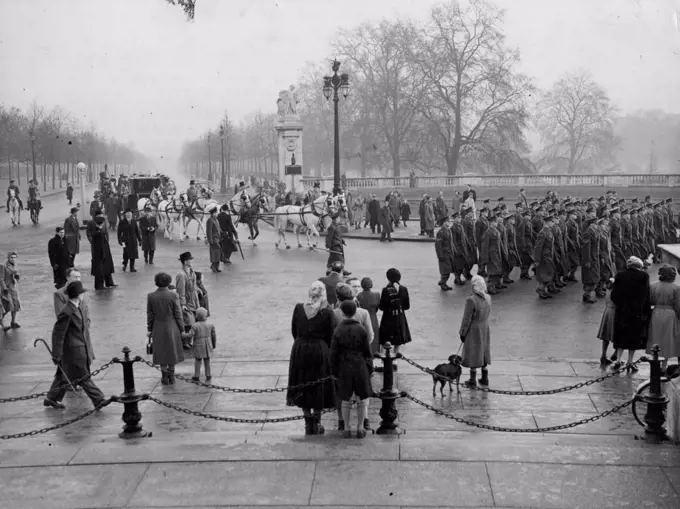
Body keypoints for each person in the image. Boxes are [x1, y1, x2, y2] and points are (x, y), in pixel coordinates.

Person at [43, 281, 106, 410]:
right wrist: (56, 354)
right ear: (78, 295)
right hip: (73, 350)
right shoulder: (67, 311)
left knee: (63, 374)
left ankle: (51, 398)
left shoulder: (78, 307)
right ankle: (98, 399)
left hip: (80, 347)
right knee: (83, 376)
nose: (84, 295)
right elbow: (58, 333)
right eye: (82, 293)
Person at [286, 281, 338, 435]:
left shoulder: (299, 308)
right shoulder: (328, 312)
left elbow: (294, 330)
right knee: (318, 384)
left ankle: (307, 421)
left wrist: (301, 341)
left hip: (300, 348)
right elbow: (331, 334)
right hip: (320, 349)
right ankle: (317, 421)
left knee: (302, 382)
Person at [334, 283, 374, 431]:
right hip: (360, 359)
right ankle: (364, 422)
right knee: (363, 393)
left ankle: (343, 423)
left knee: (343, 394)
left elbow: (333, 340)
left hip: (343, 360)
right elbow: (370, 336)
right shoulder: (363, 313)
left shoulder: (334, 313)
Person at [611, 256, 651, 372]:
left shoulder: (620, 275)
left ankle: (618, 360)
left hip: (622, 311)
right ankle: (630, 361)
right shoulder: (644, 276)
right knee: (633, 337)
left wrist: (621, 305)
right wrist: (645, 311)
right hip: (636, 311)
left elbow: (614, 295)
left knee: (620, 335)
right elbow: (646, 296)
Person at [147, 272, 185, 385]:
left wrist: (149, 328)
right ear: (168, 282)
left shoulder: (151, 296)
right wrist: (182, 328)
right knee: (171, 351)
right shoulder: (173, 295)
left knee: (161, 351)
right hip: (171, 326)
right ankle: (171, 376)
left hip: (158, 326)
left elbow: (150, 314)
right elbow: (178, 314)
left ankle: (164, 376)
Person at [459, 275, 492, 387]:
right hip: (484, 326)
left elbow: (466, 318)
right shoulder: (488, 297)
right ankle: (485, 377)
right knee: (483, 351)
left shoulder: (471, 300)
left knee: (474, 352)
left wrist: (462, 332)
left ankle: (472, 380)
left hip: (474, 328)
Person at [645, 265, 680, 369]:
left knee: (655, 338)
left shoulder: (653, 286)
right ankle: (664, 366)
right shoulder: (676, 288)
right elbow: (678, 305)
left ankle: (654, 365)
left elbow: (650, 300)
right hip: (670, 315)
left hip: (656, 313)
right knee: (667, 340)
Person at [378, 268, 411, 370]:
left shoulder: (385, 290)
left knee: (385, 339)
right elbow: (407, 306)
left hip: (388, 317)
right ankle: (395, 360)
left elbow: (382, 307)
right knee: (397, 339)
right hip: (400, 317)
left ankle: (384, 360)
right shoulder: (404, 289)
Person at [182, 307, 216, 381]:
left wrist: (183, 334)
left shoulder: (195, 325)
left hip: (198, 346)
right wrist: (213, 344)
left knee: (198, 361)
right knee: (207, 361)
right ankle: (208, 374)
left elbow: (189, 335)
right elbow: (213, 336)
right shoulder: (210, 325)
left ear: (197, 316)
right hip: (208, 346)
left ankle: (197, 375)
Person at [176, 252, 199, 340]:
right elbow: (180, 291)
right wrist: (183, 304)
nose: (191, 261)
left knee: (194, 321)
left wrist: (197, 289)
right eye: (190, 260)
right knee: (189, 322)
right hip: (187, 302)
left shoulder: (192, 272)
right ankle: (186, 341)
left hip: (194, 301)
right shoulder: (181, 275)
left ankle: (190, 340)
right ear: (185, 262)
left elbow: (193, 285)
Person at [89, 215, 117, 290]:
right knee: (100, 270)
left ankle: (108, 282)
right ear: (102, 223)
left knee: (106, 268)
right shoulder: (98, 233)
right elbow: (100, 246)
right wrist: (104, 255)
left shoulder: (98, 231)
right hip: (101, 254)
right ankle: (100, 285)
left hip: (103, 253)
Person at [533, 214, 556, 300]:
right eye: (552, 222)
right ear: (547, 222)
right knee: (545, 275)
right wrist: (537, 260)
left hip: (548, 256)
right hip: (544, 258)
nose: (553, 223)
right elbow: (538, 247)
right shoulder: (542, 233)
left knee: (549, 273)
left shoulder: (548, 231)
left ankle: (542, 289)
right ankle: (540, 289)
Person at [357, 277, 381, 356]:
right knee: (374, 338)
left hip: (363, 319)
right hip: (373, 318)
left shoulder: (359, 296)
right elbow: (377, 308)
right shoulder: (377, 295)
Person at [0, 252, 21, 331]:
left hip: (13, 288)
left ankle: (13, 322)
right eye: (11, 257)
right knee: (7, 307)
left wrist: (17, 277)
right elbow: (1, 279)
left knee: (15, 306)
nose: (13, 259)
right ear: (8, 258)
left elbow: (16, 278)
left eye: (14, 257)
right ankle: (1, 323)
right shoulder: (3, 266)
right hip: (6, 289)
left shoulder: (15, 266)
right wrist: (4, 288)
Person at [596, 287, 617, 365]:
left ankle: (603, 355)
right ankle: (616, 353)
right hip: (616, 311)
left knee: (605, 334)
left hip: (608, 310)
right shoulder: (619, 288)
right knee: (617, 334)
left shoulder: (609, 287)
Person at [435, 215, 455, 291]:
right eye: (447, 221)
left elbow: (451, 243)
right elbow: (438, 245)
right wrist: (440, 255)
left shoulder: (448, 230)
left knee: (448, 270)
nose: (449, 222)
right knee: (445, 270)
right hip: (444, 254)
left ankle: (443, 282)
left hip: (449, 253)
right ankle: (442, 283)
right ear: (444, 222)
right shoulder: (441, 232)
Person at [205, 206, 223, 273]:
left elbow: (218, 229)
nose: (216, 214)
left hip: (218, 239)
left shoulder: (217, 220)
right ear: (212, 214)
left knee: (218, 254)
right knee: (214, 254)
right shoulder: (210, 221)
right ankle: (213, 266)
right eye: (215, 213)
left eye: (216, 213)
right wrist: (210, 241)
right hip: (213, 240)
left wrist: (222, 233)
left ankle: (216, 267)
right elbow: (208, 231)